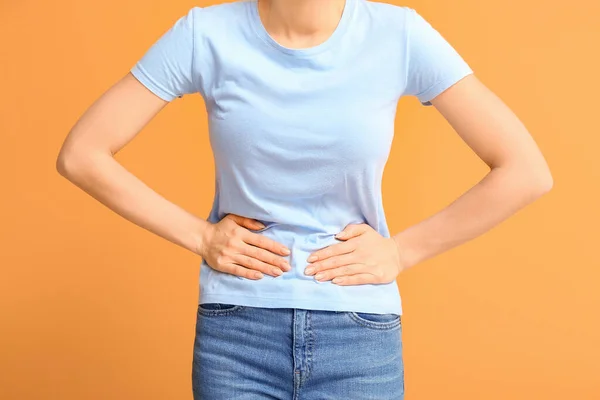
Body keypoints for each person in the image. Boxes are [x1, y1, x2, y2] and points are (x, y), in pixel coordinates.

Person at [56, 0, 553, 398]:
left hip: (358, 338)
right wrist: (201, 235)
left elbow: (525, 171)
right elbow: (82, 153)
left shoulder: (399, 34)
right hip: (237, 334)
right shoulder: (204, 34)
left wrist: (402, 251)